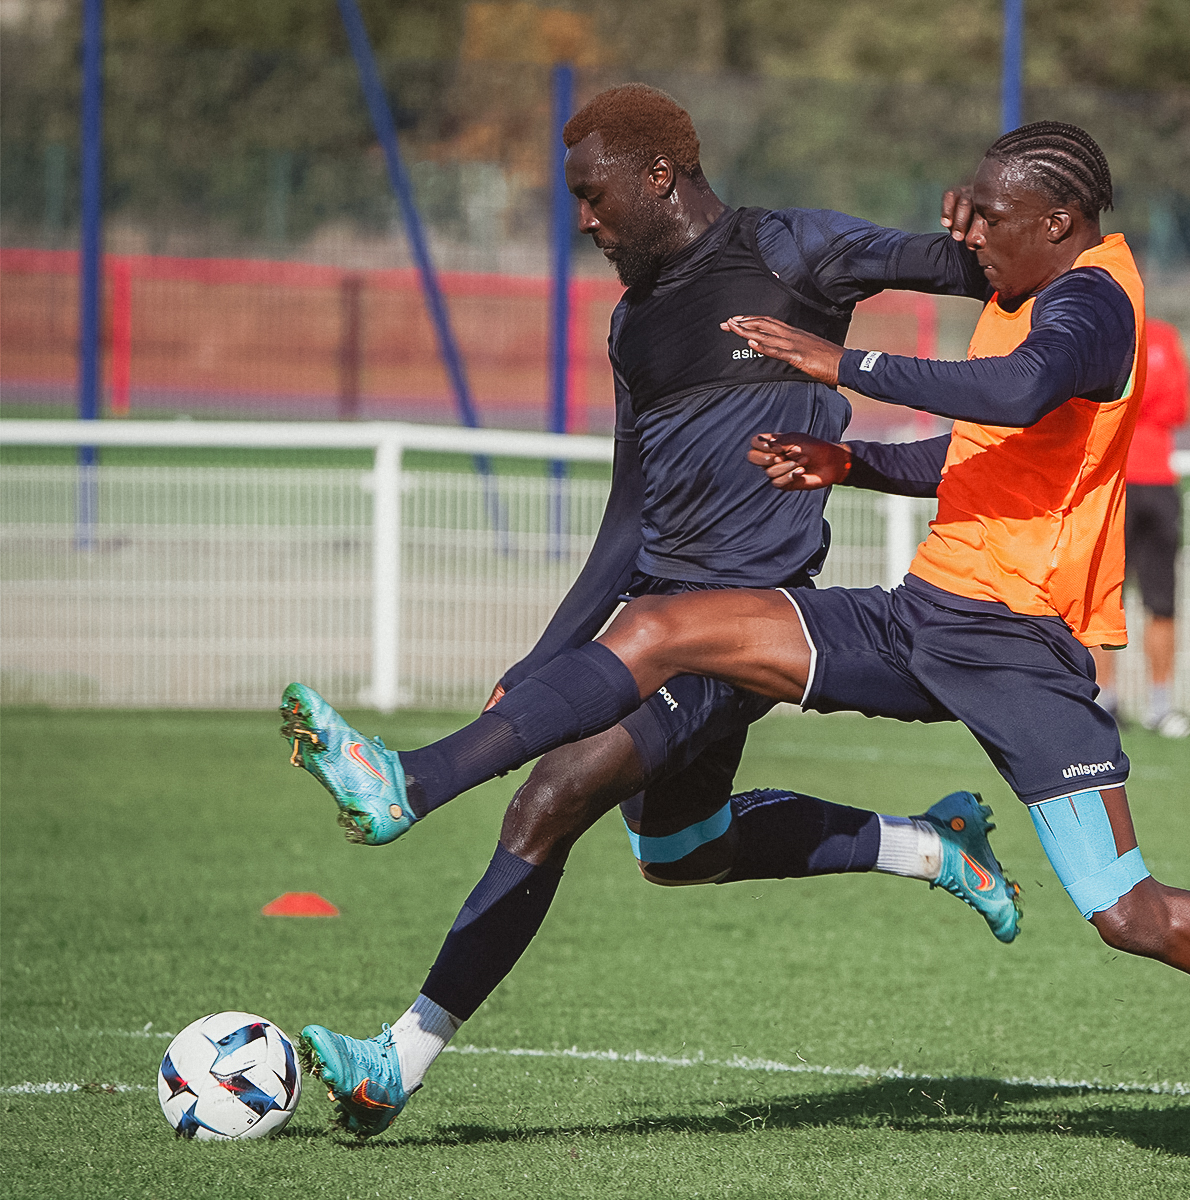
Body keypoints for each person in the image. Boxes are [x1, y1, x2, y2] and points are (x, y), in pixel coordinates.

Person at [285, 120, 1190, 1179]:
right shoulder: (1025, 281)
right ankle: (410, 781)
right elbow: (978, 460)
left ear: (1059, 223)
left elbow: (1014, 396)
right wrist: (852, 460)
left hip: (1019, 654)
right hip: (920, 622)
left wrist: (837, 366)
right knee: (656, 631)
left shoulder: (1091, 303)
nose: (970, 245)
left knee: (1129, 914)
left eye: (992, 225)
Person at [281, 84, 1023, 1138]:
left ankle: (395, 1010)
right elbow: (629, 516)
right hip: (643, 619)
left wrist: (979, 230)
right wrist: (544, 660)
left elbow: (972, 271)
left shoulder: (794, 251)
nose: (584, 220)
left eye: (592, 195)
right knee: (681, 852)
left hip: (747, 625)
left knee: (552, 796)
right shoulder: (634, 326)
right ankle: (935, 845)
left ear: (658, 176)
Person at [1089, 315, 1190, 737]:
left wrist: (1135, 398)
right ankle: (1105, 702)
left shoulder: (1165, 334)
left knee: (1162, 601)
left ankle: (1161, 706)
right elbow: (1102, 399)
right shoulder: (1100, 329)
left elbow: (1178, 405)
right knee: (1103, 601)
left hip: (1160, 482)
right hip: (1113, 481)